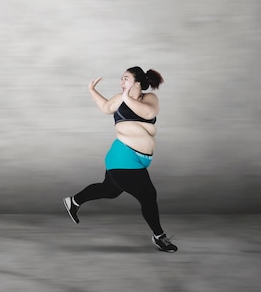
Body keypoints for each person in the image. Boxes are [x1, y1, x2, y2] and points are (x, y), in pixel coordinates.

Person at [63, 66, 177, 252]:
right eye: (121, 79)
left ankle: (73, 201)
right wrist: (92, 90)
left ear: (138, 83)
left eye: (125, 78)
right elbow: (105, 107)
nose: (121, 82)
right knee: (148, 195)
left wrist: (127, 98)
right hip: (122, 156)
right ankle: (159, 237)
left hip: (139, 159)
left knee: (109, 190)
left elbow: (149, 114)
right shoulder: (119, 98)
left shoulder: (149, 98)